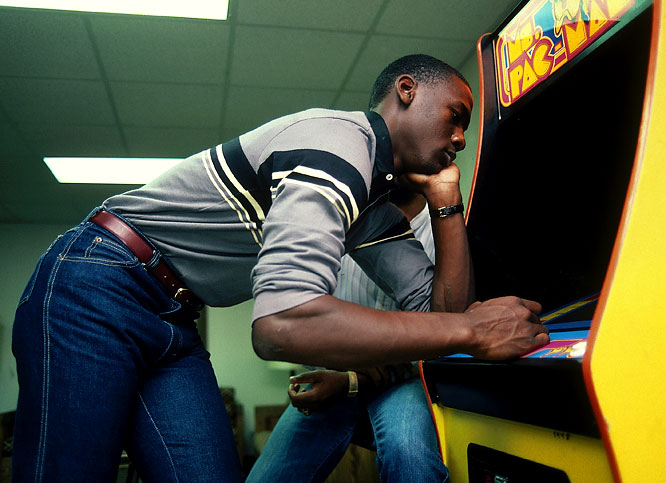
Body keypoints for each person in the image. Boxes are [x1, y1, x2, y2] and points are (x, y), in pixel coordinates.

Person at [12, 54, 549, 482]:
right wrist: (473, 329)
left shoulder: (370, 201)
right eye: (456, 117)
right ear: (407, 91)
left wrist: (445, 202)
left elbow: (442, 316)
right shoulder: (336, 145)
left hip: (172, 316)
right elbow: (281, 325)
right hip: (99, 283)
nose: (460, 139)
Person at [247, 188, 449, 482]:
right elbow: (301, 323)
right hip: (333, 373)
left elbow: (445, 335)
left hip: (407, 383)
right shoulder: (335, 220)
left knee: (409, 455)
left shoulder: (444, 232)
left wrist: (352, 381)